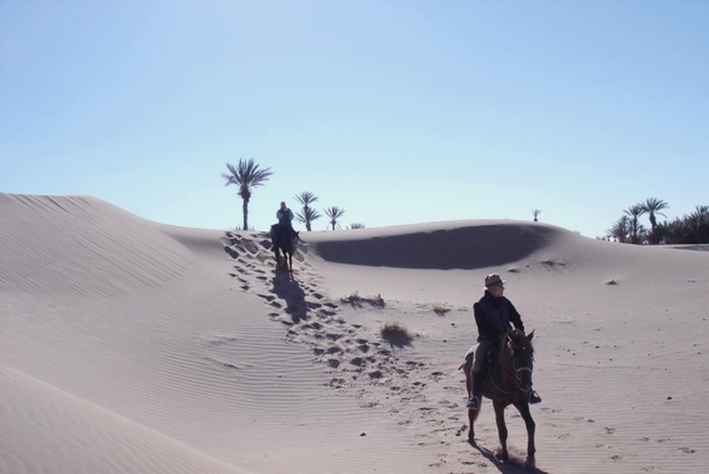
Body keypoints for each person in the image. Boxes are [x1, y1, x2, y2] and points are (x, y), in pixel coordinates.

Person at [466, 273, 542, 410]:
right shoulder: (479, 306)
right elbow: (483, 328)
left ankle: (529, 391)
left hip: (509, 338)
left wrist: (520, 334)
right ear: (493, 289)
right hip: (488, 340)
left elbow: (516, 318)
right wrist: (500, 336)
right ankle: (475, 395)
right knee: (477, 362)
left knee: (523, 358)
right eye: (501, 286)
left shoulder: (505, 302)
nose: (503, 288)